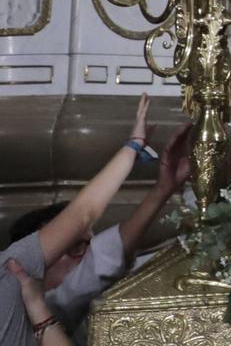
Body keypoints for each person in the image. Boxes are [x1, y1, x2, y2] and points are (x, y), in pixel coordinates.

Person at [0, 97, 187, 345]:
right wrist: (133, 146)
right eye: (73, 248)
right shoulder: (13, 274)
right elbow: (83, 213)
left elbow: (99, 257)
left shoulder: (20, 281)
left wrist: (161, 188)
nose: (84, 253)